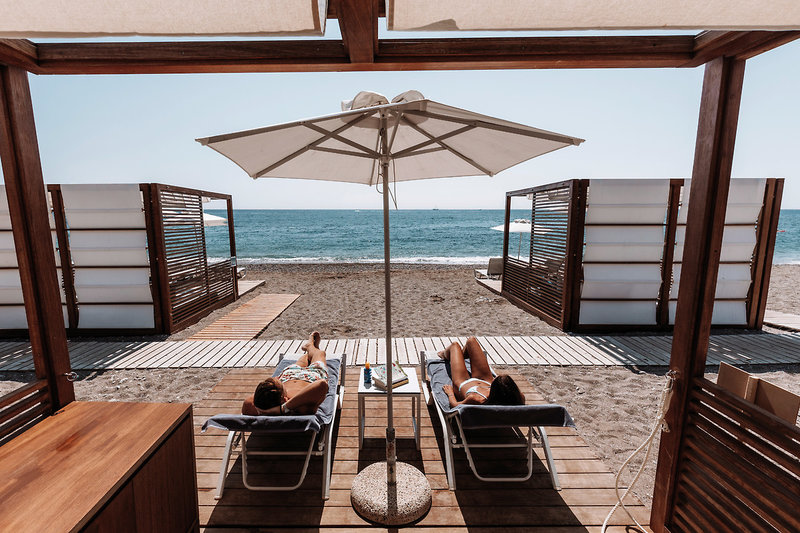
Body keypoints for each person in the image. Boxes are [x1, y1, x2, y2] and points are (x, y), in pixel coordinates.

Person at [242, 331, 329, 416]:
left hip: (288, 376)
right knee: (320, 353)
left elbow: (255, 398)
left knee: (304, 360)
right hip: (312, 377)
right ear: (284, 399)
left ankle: (310, 348)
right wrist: (284, 408)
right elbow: (322, 384)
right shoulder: (301, 407)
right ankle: (311, 347)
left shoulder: (253, 406)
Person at [439, 336, 525, 407]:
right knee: (471, 340)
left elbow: (455, 405)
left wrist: (450, 393)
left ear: (495, 390)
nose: (495, 377)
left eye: (495, 379)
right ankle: (461, 355)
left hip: (463, 381)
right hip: (485, 380)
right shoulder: (519, 398)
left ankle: (444, 355)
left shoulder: (476, 399)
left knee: (455, 345)